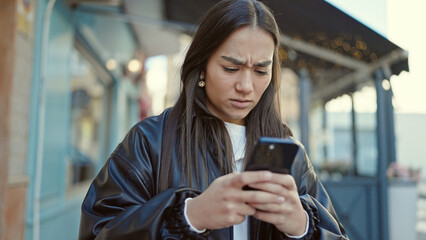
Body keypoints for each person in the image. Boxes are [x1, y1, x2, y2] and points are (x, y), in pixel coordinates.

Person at [78, 0, 348, 239]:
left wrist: (301, 226)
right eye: (231, 68)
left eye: (260, 70)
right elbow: (98, 231)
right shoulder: (150, 141)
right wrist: (188, 215)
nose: (246, 85)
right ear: (202, 65)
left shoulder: (289, 151)